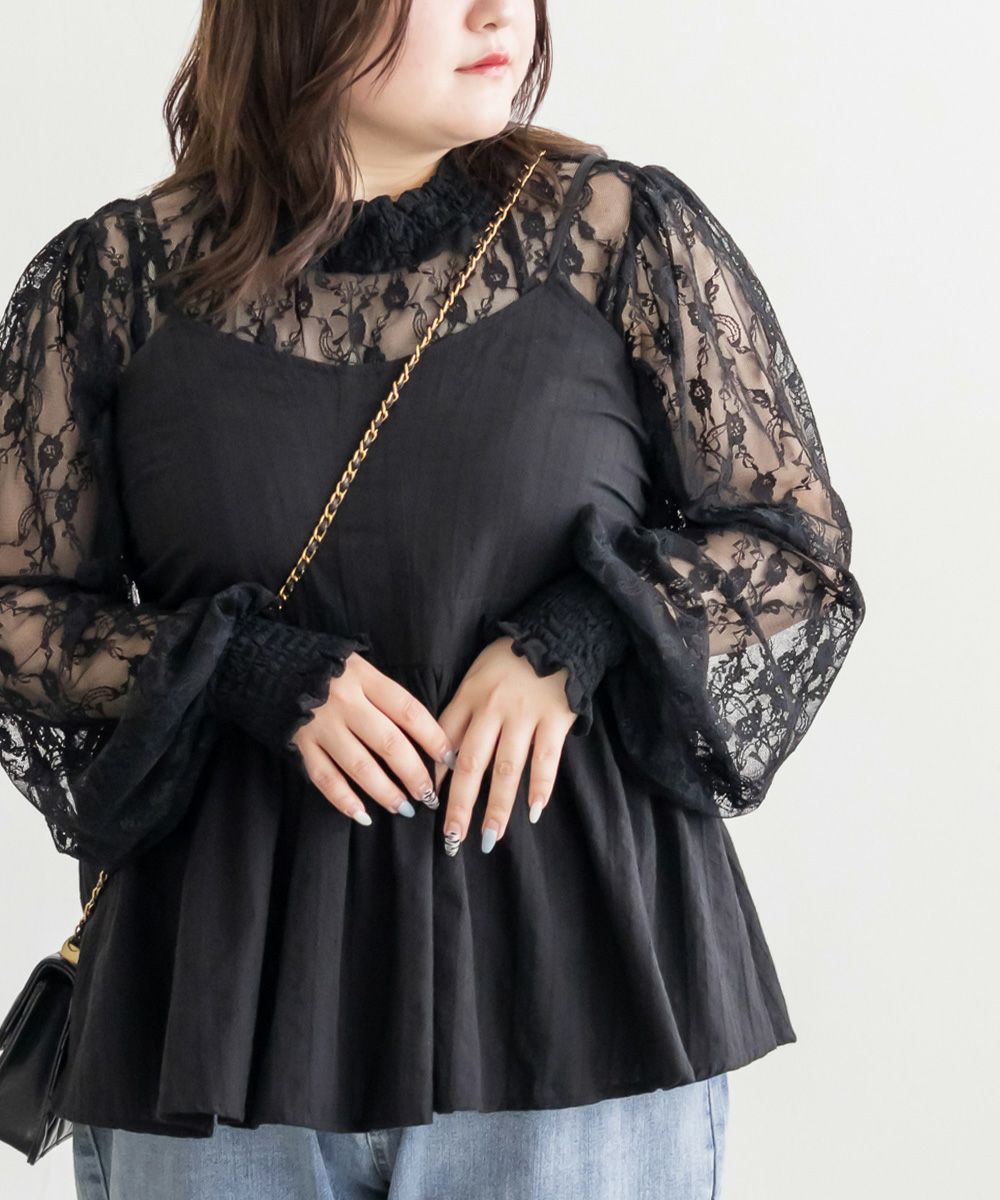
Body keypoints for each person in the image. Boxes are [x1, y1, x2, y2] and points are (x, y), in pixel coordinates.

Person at [0, 1, 865, 1197]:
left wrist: (579, 633)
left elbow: (791, 540)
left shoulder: (617, 237)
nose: (496, 10)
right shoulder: (110, 284)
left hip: (575, 1001)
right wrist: (239, 667)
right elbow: (18, 610)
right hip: (210, 1012)